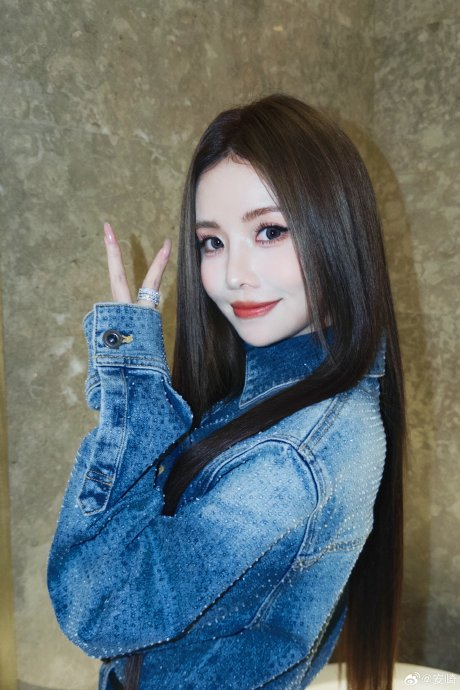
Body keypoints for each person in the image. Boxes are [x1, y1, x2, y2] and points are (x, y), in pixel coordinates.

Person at [47, 93, 405, 690]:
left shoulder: (294, 455)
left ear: (337, 232)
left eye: (270, 231)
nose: (234, 275)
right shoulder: (286, 401)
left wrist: (131, 386)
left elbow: (100, 608)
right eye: (211, 242)